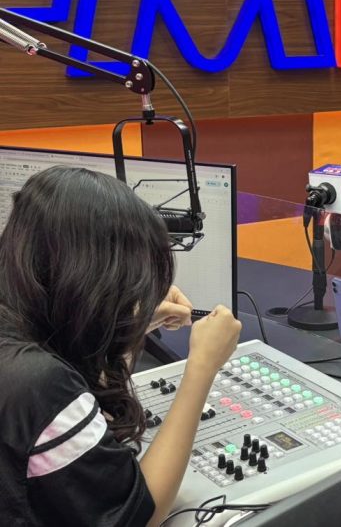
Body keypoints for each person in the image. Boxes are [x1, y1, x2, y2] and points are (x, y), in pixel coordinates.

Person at [0, 167, 242, 526]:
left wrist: (124, 326)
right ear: (95, 279)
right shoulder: (40, 384)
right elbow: (137, 515)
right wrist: (202, 366)